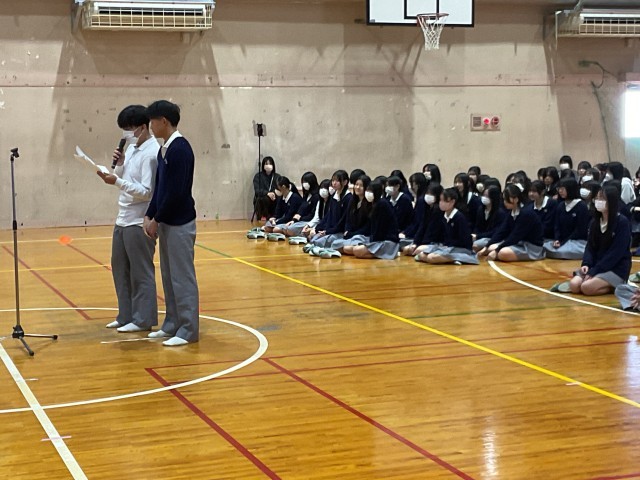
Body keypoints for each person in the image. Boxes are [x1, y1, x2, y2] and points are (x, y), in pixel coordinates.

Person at [143, 100, 199, 347]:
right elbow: (160, 189)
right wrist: (149, 214)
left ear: (163, 121)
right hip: (166, 222)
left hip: (180, 223)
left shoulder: (181, 149)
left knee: (182, 277)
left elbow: (176, 193)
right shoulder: (164, 149)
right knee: (168, 275)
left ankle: (188, 329)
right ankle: (172, 323)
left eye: (152, 122)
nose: (151, 126)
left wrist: (157, 219)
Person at [98, 105, 158, 333]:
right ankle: (125, 315)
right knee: (120, 269)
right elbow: (125, 177)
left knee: (141, 272)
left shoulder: (151, 153)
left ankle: (143, 319)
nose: (126, 134)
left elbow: (146, 192)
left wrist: (117, 182)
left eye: (129, 128)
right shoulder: (133, 148)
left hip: (138, 220)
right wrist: (121, 164)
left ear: (143, 127)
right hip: (122, 218)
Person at [571, 184, 631, 295]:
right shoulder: (594, 222)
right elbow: (590, 246)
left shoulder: (622, 222)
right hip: (595, 265)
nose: (598, 201)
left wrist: (595, 271)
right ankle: (598, 282)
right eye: (597, 198)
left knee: (586, 288)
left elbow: (616, 253)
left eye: (602, 198)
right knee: (574, 285)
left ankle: (614, 286)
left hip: (616, 268)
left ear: (611, 201)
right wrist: (586, 264)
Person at [477, 184, 545, 262]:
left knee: (502, 253)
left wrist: (497, 250)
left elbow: (515, 236)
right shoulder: (511, 213)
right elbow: (501, 231)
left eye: (506, 200)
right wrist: (487, 246)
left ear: (515, 199)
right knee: (490, 248)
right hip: (519, 243)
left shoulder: (526, 213)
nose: (504, 202)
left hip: (531, 247)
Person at [416, 188, 478, 265]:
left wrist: (448, 245)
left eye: (444, 201)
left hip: (461, 249)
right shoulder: (444, 216)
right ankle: (451, 259)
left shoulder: (459, 217)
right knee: (421, 254)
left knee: (431, 257)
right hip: (446, 247)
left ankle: (458, 258)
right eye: (440, 200)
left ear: (452, 202)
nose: (441, 203)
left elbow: (465, 240)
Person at [543, 177, 590, 259]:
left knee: (563, 251)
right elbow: (557, 226)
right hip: (562, 241)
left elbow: (580, 230)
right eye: (559, 188)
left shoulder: (581, 206)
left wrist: (564, 242)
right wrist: (557, 239)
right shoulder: (561, 205)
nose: (560, 191)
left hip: (577, 241)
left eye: (563, 189)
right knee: (544, 247)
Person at [351, 181, 400, 259]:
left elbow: (380, 230)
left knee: (357, 250)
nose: (367, 193)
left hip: (387, 241)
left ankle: (387, 253)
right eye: (367, 190)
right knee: (351, 248)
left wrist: (369, 243)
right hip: (377, 240)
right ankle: (383, 254)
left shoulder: (382, 204)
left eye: (370, 191)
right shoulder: (374, 204)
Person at [252, 156, 279, 220]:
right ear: (263, 165)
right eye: (266, 164)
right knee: (264, 199)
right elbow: (257, 190)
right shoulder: (258, 176)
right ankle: (264, 216)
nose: (268, 166)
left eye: (270, 164)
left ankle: (276, 216)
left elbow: (279, 189)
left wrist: (273, 194)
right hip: (263, 199)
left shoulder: (277, 177)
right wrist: (267, 193)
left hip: (274, 198)